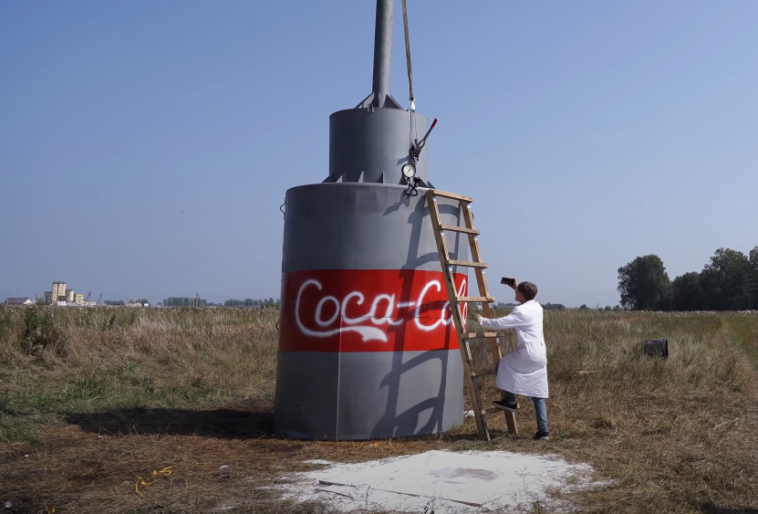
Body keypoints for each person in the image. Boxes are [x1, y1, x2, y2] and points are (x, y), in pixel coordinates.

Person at [473, 280, 550, 441]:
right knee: (538, 393)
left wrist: (482, 320)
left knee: (502, 365)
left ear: (522, 294)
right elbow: (527, 298)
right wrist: (515, 287)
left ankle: (511, 401)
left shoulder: (520, 311)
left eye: (517, 292)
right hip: (540, 353)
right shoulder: (537, 307)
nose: (515, 294)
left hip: (527, 351)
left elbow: (501, 323)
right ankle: (544, 432)